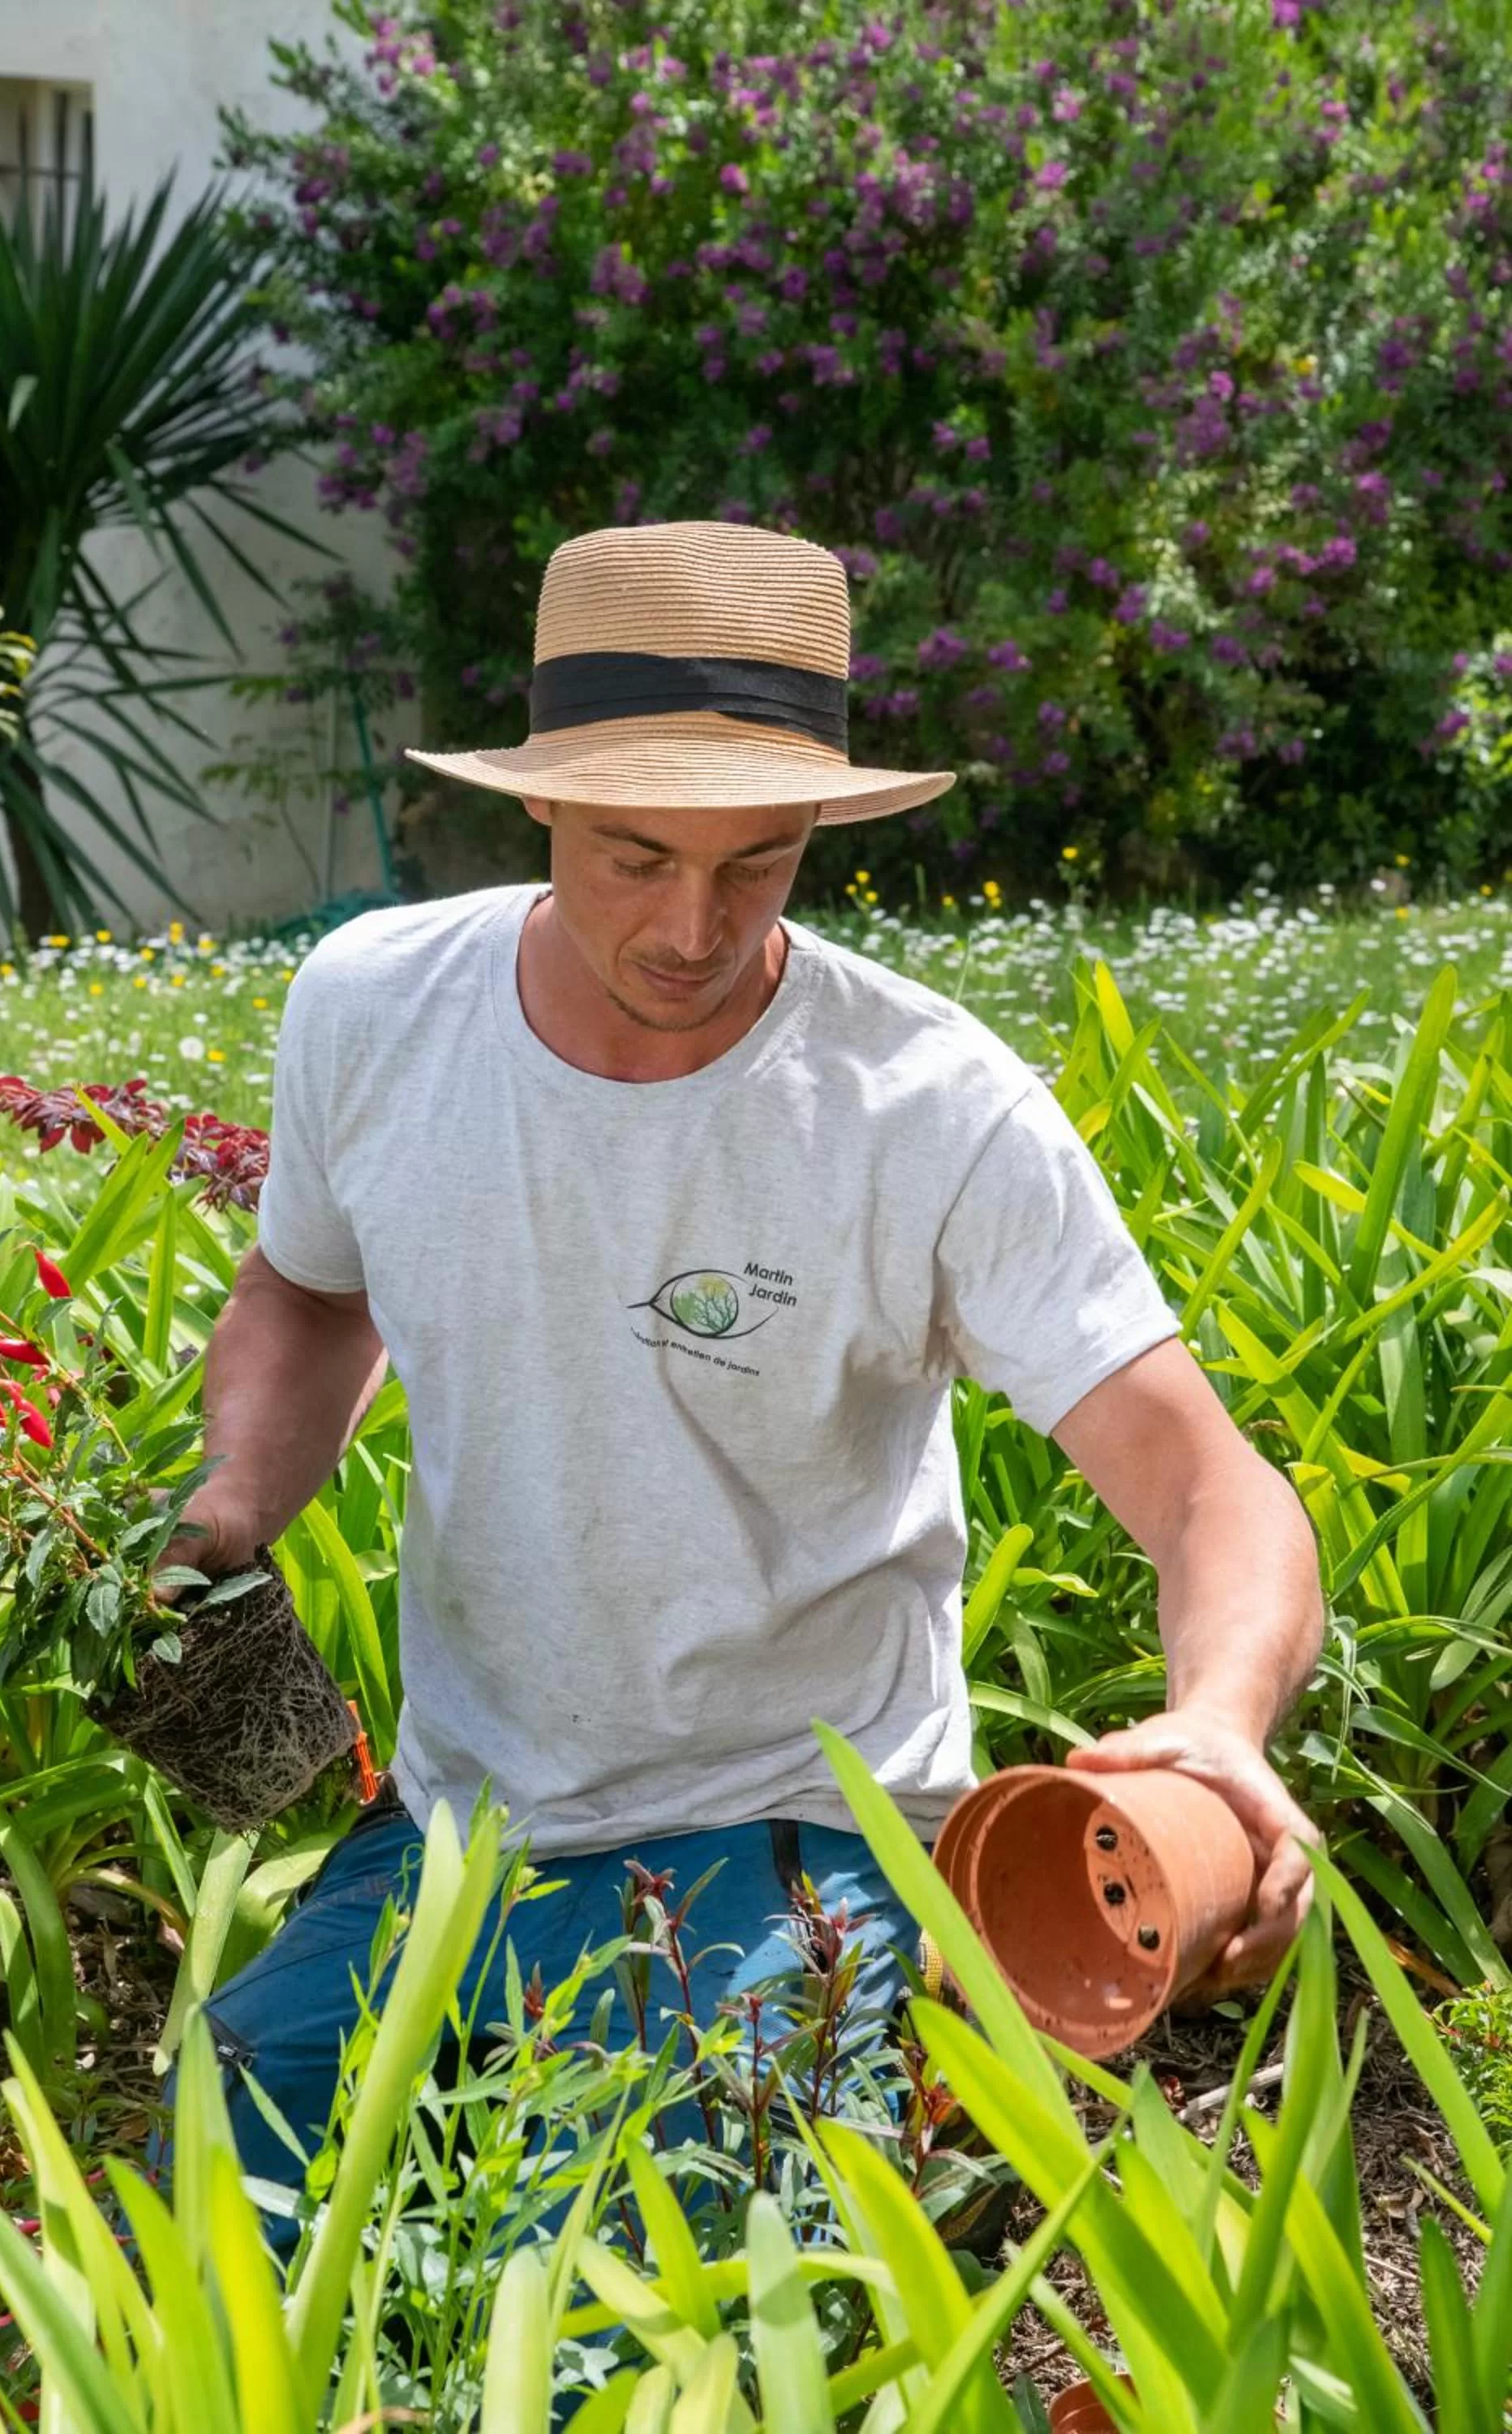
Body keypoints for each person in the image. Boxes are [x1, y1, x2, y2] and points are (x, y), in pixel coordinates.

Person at [147, 521, 1324, 2256]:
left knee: (625, 2296)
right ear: (536, 802)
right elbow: (308, 1299)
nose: (692, 928)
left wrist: (1217, 1724)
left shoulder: (928, 1109)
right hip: (472, 1815)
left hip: (802, 1833)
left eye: (758, 864)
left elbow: (1206, 1487)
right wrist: (234, 1503)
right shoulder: (373, 1008)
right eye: (634, 859)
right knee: (206, 2218)